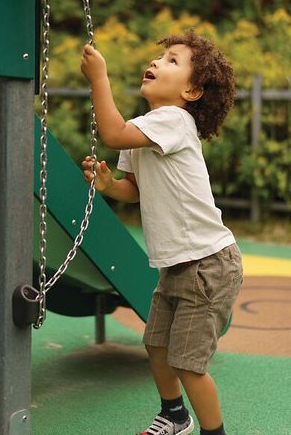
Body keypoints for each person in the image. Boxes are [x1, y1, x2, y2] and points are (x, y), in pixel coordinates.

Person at [81, 28, 243, 435]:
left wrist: (99, 78)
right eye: (161, 57)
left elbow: (112, 132)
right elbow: (133, 190)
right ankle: (173, 415)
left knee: (188, 364)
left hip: (207, 265)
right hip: (175, 265)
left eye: (173, 61)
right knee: (156, 347)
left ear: (191, 92)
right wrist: (107, 186)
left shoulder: (174, 120)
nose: (157, 62)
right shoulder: (145, 129)